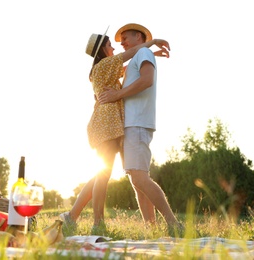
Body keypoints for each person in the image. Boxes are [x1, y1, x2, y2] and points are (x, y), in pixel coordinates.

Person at [60, 27, 171, 232]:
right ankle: (97, 223)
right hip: (107, 123)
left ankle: (72, 217)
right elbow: (129, 55)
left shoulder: (105, 68)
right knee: (103, 174)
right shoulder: (105, 65)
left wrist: (151, 54)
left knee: (102, 173)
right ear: (102, 49)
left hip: (110, 124)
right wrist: (153, 42)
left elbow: (130, 66)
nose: (114, 47)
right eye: (110, 44)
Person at [97, 23, 182, 233]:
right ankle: (151, 228)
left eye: (126, 38)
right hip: (131, 126)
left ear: (139, 37)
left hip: (137, 123)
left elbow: (147, 80)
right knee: (137, 181)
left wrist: (117, 95)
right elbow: (129, 69)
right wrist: (152, 53)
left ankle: (174, 224)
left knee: (140, 177)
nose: (122, 43)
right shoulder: (142, 54)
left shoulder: (143, 52)